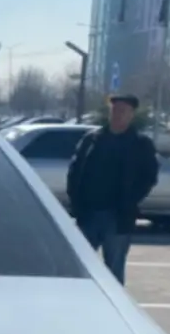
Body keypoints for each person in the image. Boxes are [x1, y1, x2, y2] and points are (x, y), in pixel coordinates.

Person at [65, 94, 160, 284]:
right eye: (114, 110)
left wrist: (130, 201)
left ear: (131, 114)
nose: (117, 115)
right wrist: (76, 202)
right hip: (87, 215)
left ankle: (112, 303)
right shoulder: (92, 139)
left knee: (114, 272)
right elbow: (74, 171)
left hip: (118, 219)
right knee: (79, 268)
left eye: (123, 111)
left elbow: (149, 177)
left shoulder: (141, 144)